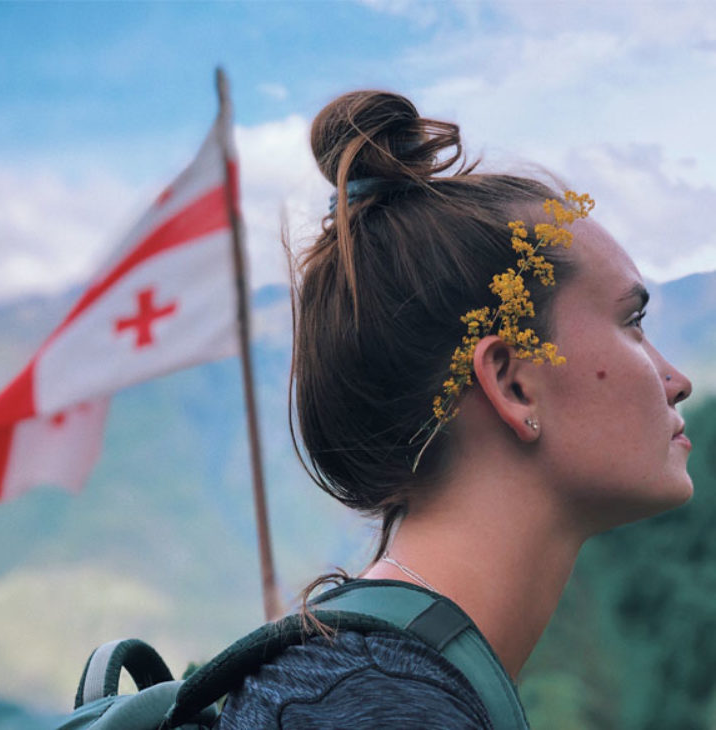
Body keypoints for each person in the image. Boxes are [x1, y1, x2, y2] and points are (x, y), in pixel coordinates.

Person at [219, 90, 693, 728]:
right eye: (632, 322)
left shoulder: (369, 686)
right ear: (513, 383)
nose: (676, 379)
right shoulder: (384, 708)